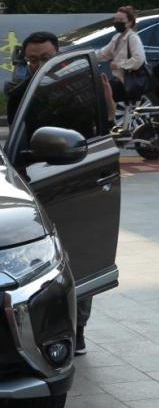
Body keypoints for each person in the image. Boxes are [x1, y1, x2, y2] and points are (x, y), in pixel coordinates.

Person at [4, 31, 115, 356]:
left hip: (78, 178)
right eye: (32, 59)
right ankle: (47, 328)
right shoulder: (22, 95)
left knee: (79, 255)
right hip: (38, 183)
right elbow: (19, 144)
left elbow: (101, 133)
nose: (38, 64)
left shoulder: (80, 90)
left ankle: (77, 329)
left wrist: (107, 105)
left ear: (59, 56)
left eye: (45, 58)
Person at [95, 5, 146, 113]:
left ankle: (109, 120)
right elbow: (103, 54)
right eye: (116, 19)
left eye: (121, 20)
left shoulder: (133, 38)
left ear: (130, 22)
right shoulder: (117, 37)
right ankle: (112, 118)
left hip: (127, 82)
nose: (117, 22)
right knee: (103, 94)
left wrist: (118, 65)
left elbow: (139, 59)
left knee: (103, 95)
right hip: (118, 79)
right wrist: (89, 57)